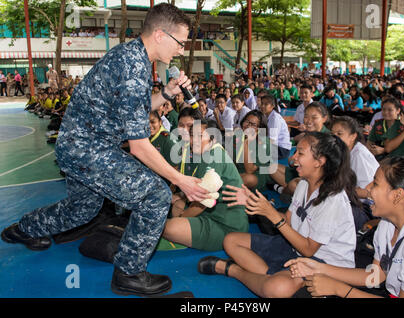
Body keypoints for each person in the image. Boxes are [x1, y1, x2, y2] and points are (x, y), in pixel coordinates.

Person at [1, 3, 209, 298]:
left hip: (78, 147)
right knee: (156, 194)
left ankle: (23, 229)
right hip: (88, 149)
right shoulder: (133, 67)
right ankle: (129, 272)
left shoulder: (132, 57)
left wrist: (167, 93)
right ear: (161, 35)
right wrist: (181, 179)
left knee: (82, 209)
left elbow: (131, 113)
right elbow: (138, 146)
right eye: (180, 42)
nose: (181, 50)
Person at [197, 132, 356, 298]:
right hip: (295, 248)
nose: (294, 158)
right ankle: (271, 276)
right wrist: (254, 202)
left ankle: (234, 270)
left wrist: (271, 213)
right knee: (231, 241)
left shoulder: (333, 200)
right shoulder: (304, 184)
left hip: (323, 262)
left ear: (319, 161)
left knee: (276, 289)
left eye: (300, 153)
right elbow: (288, 221)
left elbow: (308, 250)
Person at [287, 157, 404, 298]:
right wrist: (319, 268)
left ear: (397, 195)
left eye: (376, 183)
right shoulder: (387, 224)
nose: (368, 188)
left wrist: (338, 289)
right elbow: (377, 275)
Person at [163, 119, 249, 251]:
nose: (194, 140)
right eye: (192, 135)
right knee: (178, 205)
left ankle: (181, 236)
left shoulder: (214, 156)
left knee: (169, 228)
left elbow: (201, 205)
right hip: (213, 215)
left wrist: (181, 218)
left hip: (226, 226)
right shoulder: (207, 154)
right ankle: (184, 235)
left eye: (200, 135)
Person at [331, 116, 379, 200]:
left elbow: (366, 192)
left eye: (339, 134)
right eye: (332, 134)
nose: (334, 138)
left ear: (353, 137)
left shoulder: (359, 155)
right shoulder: (342, 150)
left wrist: (334, 190)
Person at [231, 110, 273, 191]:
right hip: (239, 171)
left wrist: (246, 143)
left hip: (256, 174)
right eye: (247, 121)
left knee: (249, 179)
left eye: (253, 124)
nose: (248, 126)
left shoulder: (264, 143)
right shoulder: (238, 136)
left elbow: (250, 170)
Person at [260, 95, 291, 160]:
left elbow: (272, 140)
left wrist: (259, 144)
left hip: (281, 150)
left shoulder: (274, 118)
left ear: (272, 106)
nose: (262, 106)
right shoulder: (267, 115)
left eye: (266, 104)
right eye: (262, 103)